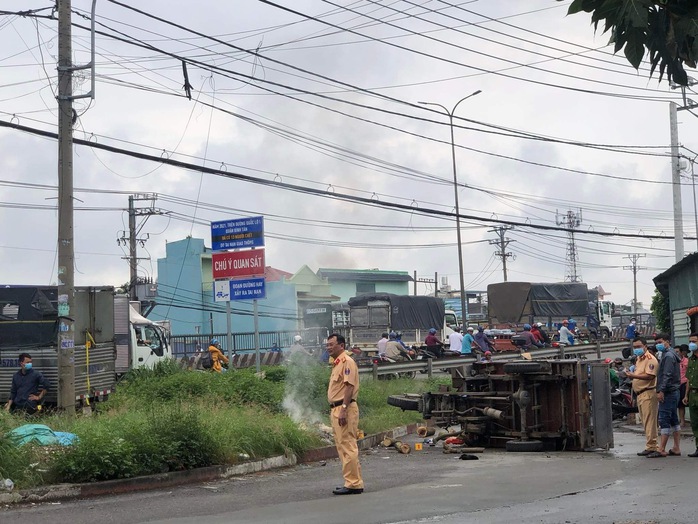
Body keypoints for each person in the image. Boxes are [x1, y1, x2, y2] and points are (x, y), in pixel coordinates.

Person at [326, 333, 363, 495]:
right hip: (337, 408)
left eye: (332, 344)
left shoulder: (347, 362)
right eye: (327, 344)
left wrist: (343, 409)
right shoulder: (337, 363)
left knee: (348, 445)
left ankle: (354, 484)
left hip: (344, 408)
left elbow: (348, 387)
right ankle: (352, 481)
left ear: (341, 345)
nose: (328, 347)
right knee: (343, 446)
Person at [626, 337, 659, 457]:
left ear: (645, 346)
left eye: (639, 347)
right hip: (640, 394)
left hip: (648, 393)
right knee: (645, 421)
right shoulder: (639, 359)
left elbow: (650, 376)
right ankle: (650, 446)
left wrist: (633, 376)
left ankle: (653, 446)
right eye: (634, 347)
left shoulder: (650, 359)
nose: (636, 349)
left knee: (650, 421)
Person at [653, 333, 682, 457]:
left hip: (669, 391)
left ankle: (662, 449)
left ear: (667, 342)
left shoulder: (669, 356)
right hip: (673, 391)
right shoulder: (669, 354)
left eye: (660, 342)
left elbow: (667, 375)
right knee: (673, 420)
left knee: (664, 419)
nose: (658, 345)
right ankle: (676, 447)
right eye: (657, 343)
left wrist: (661, 391)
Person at [683, 333, 698, 457]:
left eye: (694, 341)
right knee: (695, 423)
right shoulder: (691, 359)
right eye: (690, 341)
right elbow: (688, 379)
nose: (691, 344)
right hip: (693, 395)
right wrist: (686, 395)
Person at [678, 344, 689, 427]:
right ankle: (682, 421)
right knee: (680, 405)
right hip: (678, 384)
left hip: (686, 383)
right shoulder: (674, 361)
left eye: (677, 352)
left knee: (688, 402)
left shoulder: (687, 361)